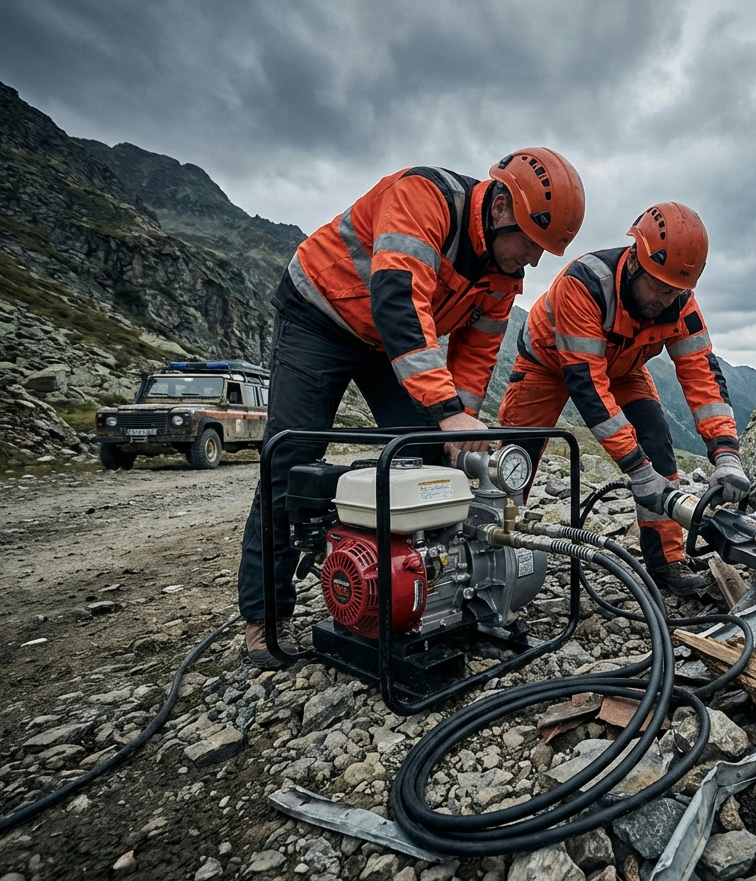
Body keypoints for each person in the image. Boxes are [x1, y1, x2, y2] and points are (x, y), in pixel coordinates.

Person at [240, 148, 586, 668]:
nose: (535, 260)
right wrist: (445, 409)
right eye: (532, 244)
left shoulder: (503, 271)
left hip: (384, 342)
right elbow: (398, 300)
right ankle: (265, 619)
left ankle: (421, 593)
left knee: (428, 459)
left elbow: (476, 353)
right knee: (288, 462)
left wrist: (458, 427)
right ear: (499, 211)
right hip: (319, 313)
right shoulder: (423, 197)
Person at [498, 202, 750, 596]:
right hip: (546, 364)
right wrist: (636, 470)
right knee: (514, 460)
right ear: (635, 261)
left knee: (657, 444)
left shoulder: (679, 300)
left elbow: (701, 373)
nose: (666, 300)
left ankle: (665, 565)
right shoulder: (585, 284)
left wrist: (727, 454)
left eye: (676, 291)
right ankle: (494, 557)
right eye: (660, 287)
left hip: (624, 366)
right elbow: (589, 388)